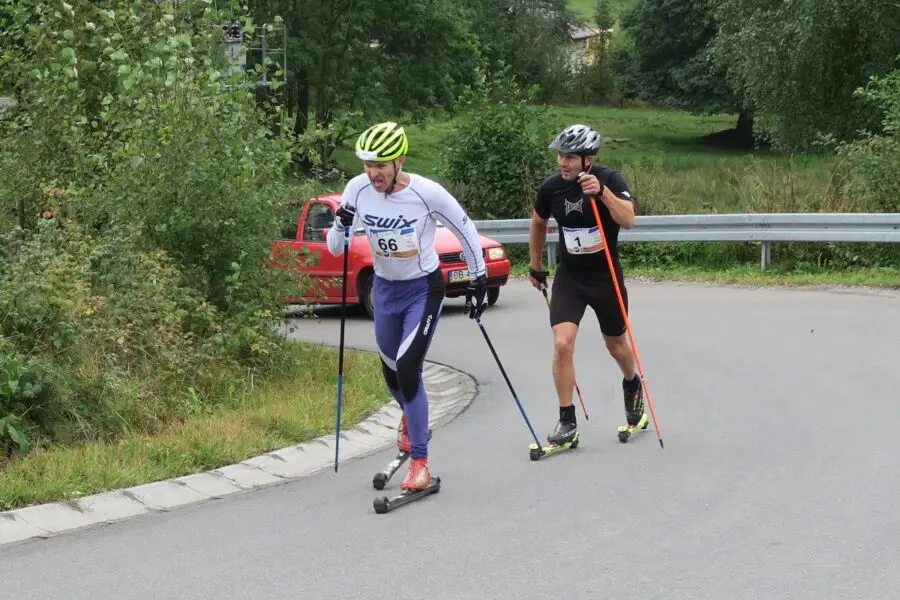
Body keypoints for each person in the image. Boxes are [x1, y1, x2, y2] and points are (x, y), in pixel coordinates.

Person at [326, 121, 488, 491]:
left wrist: (477, 279)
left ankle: (420, 462)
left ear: (399, 161)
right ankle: (411, 417)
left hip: (422, 289)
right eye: (368, 164)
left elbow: (465, 228)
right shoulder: (357, 189)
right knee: (391, 376)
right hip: (384, 291)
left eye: (381, 164)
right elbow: (337, 247)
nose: (373, 172)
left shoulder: (427, 193)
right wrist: (341, 224)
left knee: (409, 368)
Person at [527, 124, 643, 446]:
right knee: (563, 343)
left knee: (616, 346)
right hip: (571, 276)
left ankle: (632, 383)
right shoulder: (552, 189)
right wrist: (536, 266)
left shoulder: (611, 180)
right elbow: (538, 222)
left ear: (588, 160)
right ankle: (567, 421)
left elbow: (629, 219)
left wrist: (601, 193)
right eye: (560, 156)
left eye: (570, 157)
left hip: (605, 276)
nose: (562, 163)